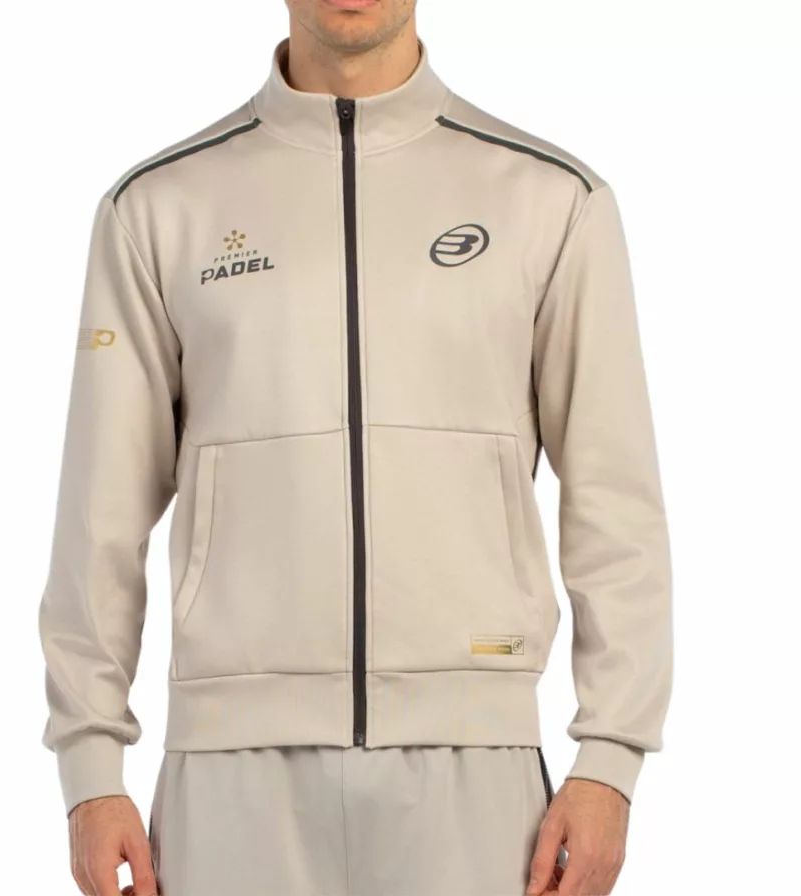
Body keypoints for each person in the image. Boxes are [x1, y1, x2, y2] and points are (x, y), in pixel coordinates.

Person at [38, 1, 674, 894]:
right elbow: (97, 513)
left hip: (475, 760)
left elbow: (616, 502)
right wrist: (90, 765)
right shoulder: (159, 208)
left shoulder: (551, 199)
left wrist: (610, 757)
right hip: (232, 765)